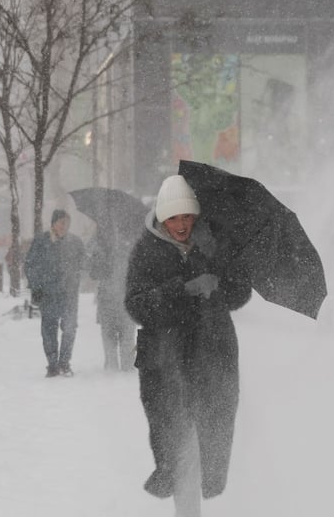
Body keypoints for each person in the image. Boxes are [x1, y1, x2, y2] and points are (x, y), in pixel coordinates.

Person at [124, 174, 252, 503]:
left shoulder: (213, 243)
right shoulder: (145, 249)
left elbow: (240, 294)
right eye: (174, 218)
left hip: (212, 351)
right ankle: (180, 491)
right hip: (162, 359)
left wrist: (218, 284)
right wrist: (181, 291)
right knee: (176, 442)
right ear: (162, 217)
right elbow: (135, 304)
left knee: (210, 435)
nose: (181, 225)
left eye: (187, 217)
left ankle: (199, 489)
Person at [24, 209, 86, 378]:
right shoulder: (42, 241)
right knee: (49, 329)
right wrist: (37, 285)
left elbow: (84, 264)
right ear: (53, 223)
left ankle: (64, 363)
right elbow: (30, 265)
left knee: (70, 328)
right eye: (61, 222)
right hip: (48, 294)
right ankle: (52, 364)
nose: (64, 226)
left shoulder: (75, 243)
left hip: (69, 294)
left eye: (67, 223)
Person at [88, 228, 137, 372]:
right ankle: (111, 370)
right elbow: (93, 272)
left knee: (127, 335)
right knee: (109, 335)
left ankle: (127, 368)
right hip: (107, 298)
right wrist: (99, 259)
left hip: (127, 296)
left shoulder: (133, 242)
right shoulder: (99, 240)